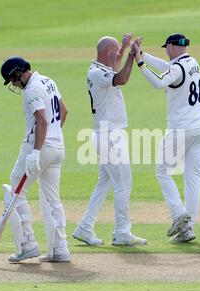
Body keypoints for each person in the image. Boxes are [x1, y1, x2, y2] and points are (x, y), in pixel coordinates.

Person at [72, 34, 147, 246]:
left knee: (104, 183)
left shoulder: (101, 69)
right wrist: (132, 56)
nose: (118, 56)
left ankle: (85, 227)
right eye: (115, 52)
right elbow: (121, 78)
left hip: (107, 134)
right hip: (110, 135)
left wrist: (123, 48)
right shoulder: (97, 73)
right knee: (124, 183)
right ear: (107, 52)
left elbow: (114, 67)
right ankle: (122, 232)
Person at [133, 34, 200, 243]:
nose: (166, 50)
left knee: (162, 171)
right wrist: (144, 54)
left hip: (180, 129)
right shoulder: (191, 62)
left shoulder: (176, 69)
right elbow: (167, 66)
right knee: (193, 179)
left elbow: (159, 83)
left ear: (174, 47)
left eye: (168, 47)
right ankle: (188, 229)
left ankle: (178, 213)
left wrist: (140, 63)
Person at [0, 56, 71, 262]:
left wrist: (38, 151)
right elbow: (64, 111)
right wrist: (52, 139)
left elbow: (41, 120)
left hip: (38, 146)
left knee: (16, 191)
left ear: (18, 73)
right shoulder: (48, 81)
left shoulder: (31, 90)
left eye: (12, 80)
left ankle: (27, 244)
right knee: (52, 199)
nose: (13, 84)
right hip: (58, 147)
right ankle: (60, 249)